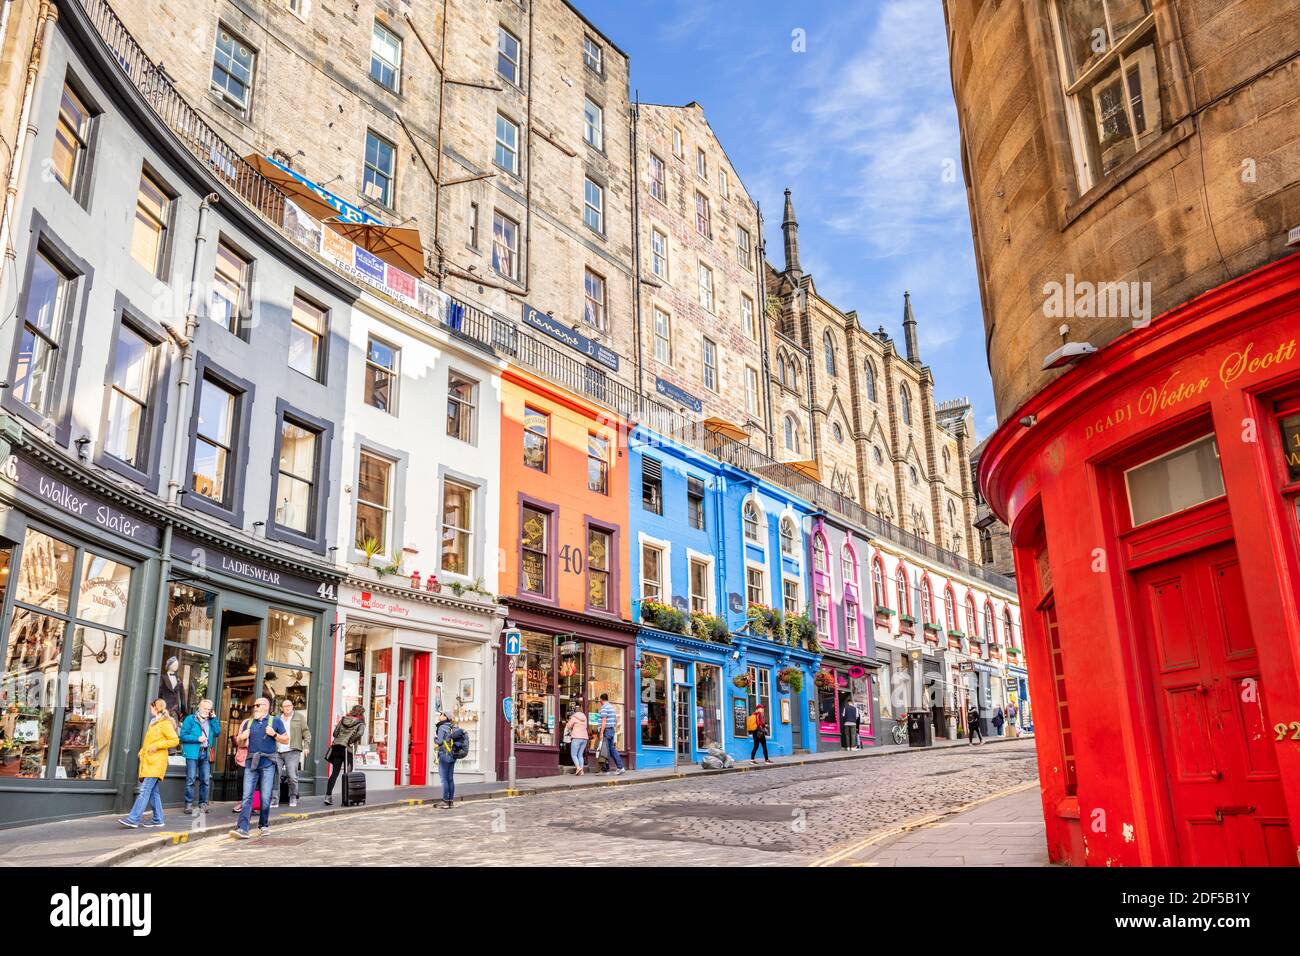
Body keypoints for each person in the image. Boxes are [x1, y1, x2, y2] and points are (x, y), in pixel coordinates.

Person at [230, 697, 287, 839]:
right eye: (254, 705)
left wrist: (274, 734)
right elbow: (239, 742)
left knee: (265, 797)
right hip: (251, 762)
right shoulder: (248, 722)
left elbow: (286, 739)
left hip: (268, 763)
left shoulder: (275, 721)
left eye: (258, 705)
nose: (254, 707)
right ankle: (243, 828)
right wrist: (242, 737)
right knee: (247, 796)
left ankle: (264, 825)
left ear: (266, 707)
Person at [119, 699, 180, 828]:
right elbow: (149, 742)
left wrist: (157, 746)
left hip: (157, 762)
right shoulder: (153, 723)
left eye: (151, 707)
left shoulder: (164, 723)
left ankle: (134, 819)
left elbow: (174, 740)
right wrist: (142, 751)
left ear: (155, 708)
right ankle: (158, 819)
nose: (150, 709)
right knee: (153, 792)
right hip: (150, 760)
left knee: (144, 790)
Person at [179, 698, 219, 814]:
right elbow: (182, 736)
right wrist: (197, 739)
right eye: (204, 708)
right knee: (191, 779)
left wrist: (214, 719)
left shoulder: (211, 721)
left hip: (205, 752)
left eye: (208, 709)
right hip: (192, 753)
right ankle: (188, 804)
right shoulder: (190, 719)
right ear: (199, 708)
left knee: (205, 780)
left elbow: (217, 733)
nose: (206, 711)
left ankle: (203, 803)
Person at [272, 697, 310, 808]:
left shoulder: (299, 717)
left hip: (292, 750)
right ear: (281, 708)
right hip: (278, 751)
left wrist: (306, 746)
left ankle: (293, 796)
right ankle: (274, 799)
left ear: (292, 707)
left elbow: (306, 732)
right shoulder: (277, 719)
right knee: (275, 775)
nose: (288, 708)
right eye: (285, 706)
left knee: (292, 776)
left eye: (289, 705)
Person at [324, 705, 365, 805]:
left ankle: (328, 796)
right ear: (361, 713)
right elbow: (360, 734)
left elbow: (335, 733)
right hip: (347, 749)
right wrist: (350, 740)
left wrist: (342, 738)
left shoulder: (343, 719)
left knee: (334, 773)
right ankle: (347, 798)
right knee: (348, 773)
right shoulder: (360, 723)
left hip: (337, 747)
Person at [433, 711, 458, 808]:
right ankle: (450, 801)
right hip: (452, 755)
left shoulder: (442, 727)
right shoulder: (452, 727)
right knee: (450, 779)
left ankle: (445, 801)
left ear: (446, 717)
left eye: (442, 714)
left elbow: (439, 741)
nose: (440, 716)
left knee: (444, 779)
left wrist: (434, 739)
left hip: (444, 754)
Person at [597, 693, 624, 775]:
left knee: (605, 750)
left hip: (606, 730)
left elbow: (604, 721)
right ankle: (620, 767)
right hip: (611, 730)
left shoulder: (604, 707)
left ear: (601, 699)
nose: (599, 701)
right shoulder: (612, 707)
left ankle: (605, 770)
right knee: (612, 749)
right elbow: (615, 721)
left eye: (600, 700)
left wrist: (601, 732)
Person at [563, 707, 589, 776]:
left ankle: (578, 768)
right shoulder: (585, 717)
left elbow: (568, 726)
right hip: (585, 738)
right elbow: (586, 726)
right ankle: (582, 770)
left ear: (575, 712)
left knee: (574, 754)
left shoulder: (574, 717)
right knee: (580, 755)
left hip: (577, 737)